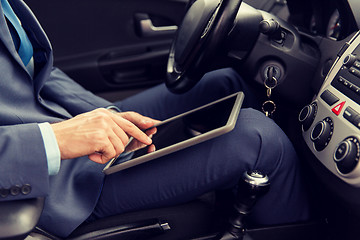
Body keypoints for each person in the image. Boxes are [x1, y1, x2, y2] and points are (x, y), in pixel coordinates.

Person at [0, 0, 310, 238]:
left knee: (227, 82)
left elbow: (39, 72)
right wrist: (57, 139)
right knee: (261, 140)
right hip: (44, 180)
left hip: (53, 122)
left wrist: (106, 116)